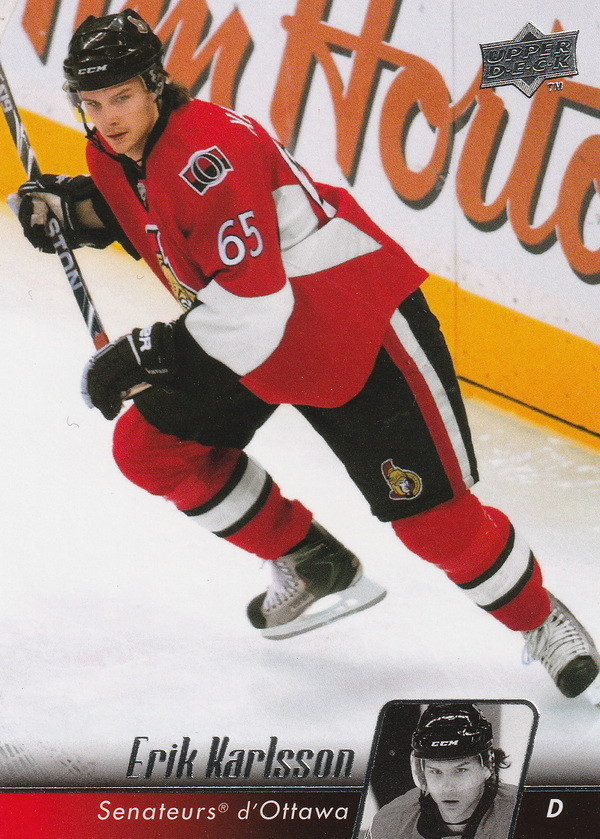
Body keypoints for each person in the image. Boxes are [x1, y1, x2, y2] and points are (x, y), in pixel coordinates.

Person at [12, 10, 600, 700]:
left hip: (351, 329)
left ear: (154, 86)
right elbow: (153, 210)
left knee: (435, 525)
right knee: (151, 448)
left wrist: (147, 351)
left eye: (121, 98)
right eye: (91, 103)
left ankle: (541, 617)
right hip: (256, 339)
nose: (107, 118)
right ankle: (311, 559)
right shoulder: (114, 155)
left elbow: (254, 304)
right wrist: (76, 212)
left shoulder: (210, 156)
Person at [366, 704, 519, 839]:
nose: (447, 787)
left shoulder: (523, 815)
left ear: (486, 766)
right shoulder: (390, 824)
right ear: (422, 771)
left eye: (460, 770)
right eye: (435, 771)